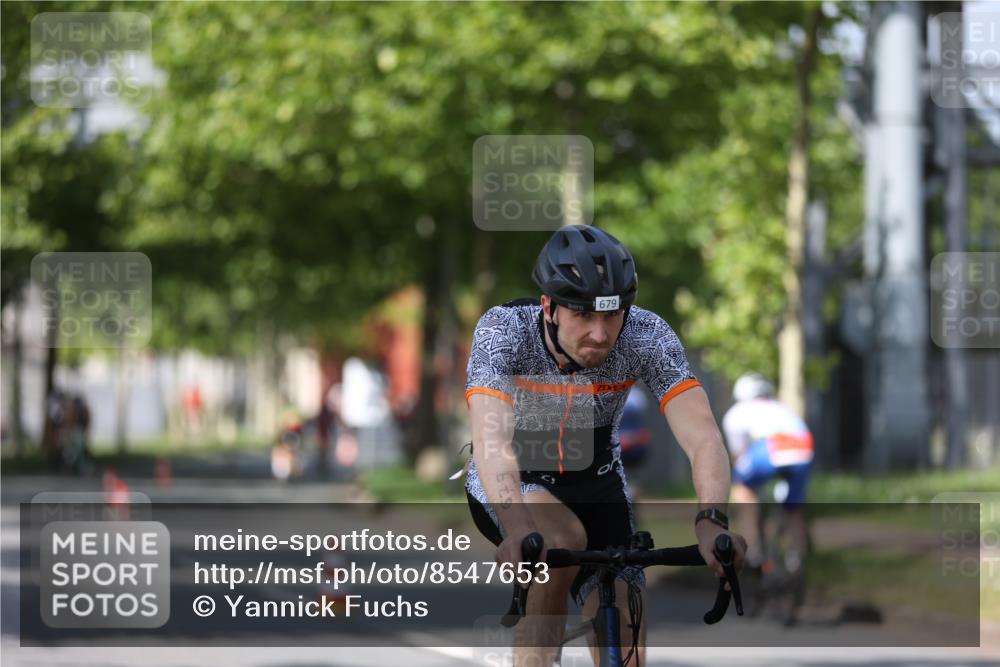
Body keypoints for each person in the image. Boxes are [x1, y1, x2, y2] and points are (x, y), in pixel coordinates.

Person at [464, 224, 746, 667]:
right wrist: (517, 525)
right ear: (549, 308)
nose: (600, 333)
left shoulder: (646, 335)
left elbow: (703, 434)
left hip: (596, 480)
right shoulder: (504, 331)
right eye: (583, 316)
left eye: (611, 316)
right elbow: (491, 440)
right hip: (516, 481)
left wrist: (711, 518)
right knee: (558, 540)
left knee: (627, 611)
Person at [722, 373, 814, 571]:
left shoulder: (736, 412)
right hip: (803, 447)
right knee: (793, 507)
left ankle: (752, 553)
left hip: (772, 448)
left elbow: (738, 454)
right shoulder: (781, 407)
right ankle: (796, 558)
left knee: (743, 490)